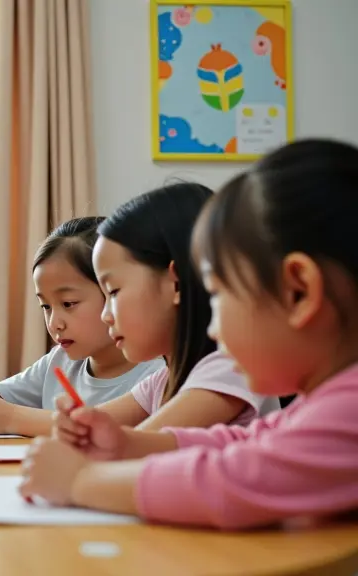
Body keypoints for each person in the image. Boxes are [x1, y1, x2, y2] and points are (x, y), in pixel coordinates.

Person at [20, 139, 358, 530]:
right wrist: (128, 444)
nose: (213, 325)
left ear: (298, 292)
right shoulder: (322, 403)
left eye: (219, 295)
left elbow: (231, 480)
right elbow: (246, 445)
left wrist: (80, 482)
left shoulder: (348, 408)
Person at [0, 217, 163, 434]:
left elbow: (106, 430)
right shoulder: (59, 360)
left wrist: (8, 417)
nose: (55, 323)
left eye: (69, 303)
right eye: (46, 307)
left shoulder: (158, 372)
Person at [82, 182, 279, 431]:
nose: (105, 316)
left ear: (176, 285)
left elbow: (131, 447)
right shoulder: (161, 382)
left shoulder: (231, 368)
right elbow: (99, 428)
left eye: (113, 292)